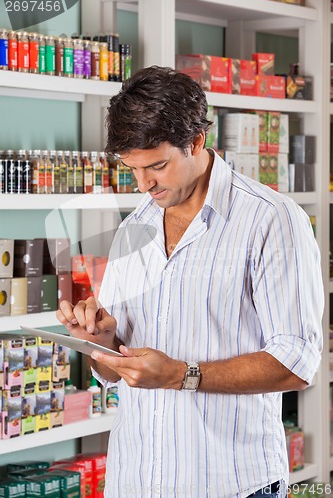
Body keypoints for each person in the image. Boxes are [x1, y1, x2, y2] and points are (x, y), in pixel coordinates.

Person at [56, 66, 323, 498]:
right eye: (131, 169)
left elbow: (297, 361)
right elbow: (112, 371)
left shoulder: (271, 220)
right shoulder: (133, 229)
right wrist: (101, 342)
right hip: (135, 483)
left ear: (196, 141)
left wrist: (180, 375)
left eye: (157, 166)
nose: (144, 185)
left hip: (231, 485)